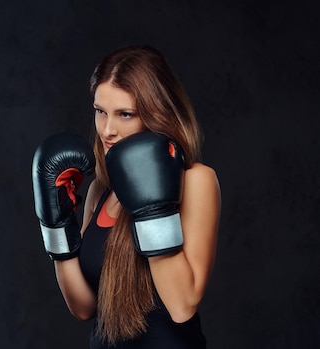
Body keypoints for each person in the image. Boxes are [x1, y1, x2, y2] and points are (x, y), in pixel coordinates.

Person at [32, 45, 221, 348]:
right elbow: (84, 308)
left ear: (156, 114)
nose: (108, 129)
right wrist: (57, 226)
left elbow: (182, 305)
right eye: (100, 111)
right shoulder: (99, 191)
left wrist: (152, 210)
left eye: (125, 114)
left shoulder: (196, 181)